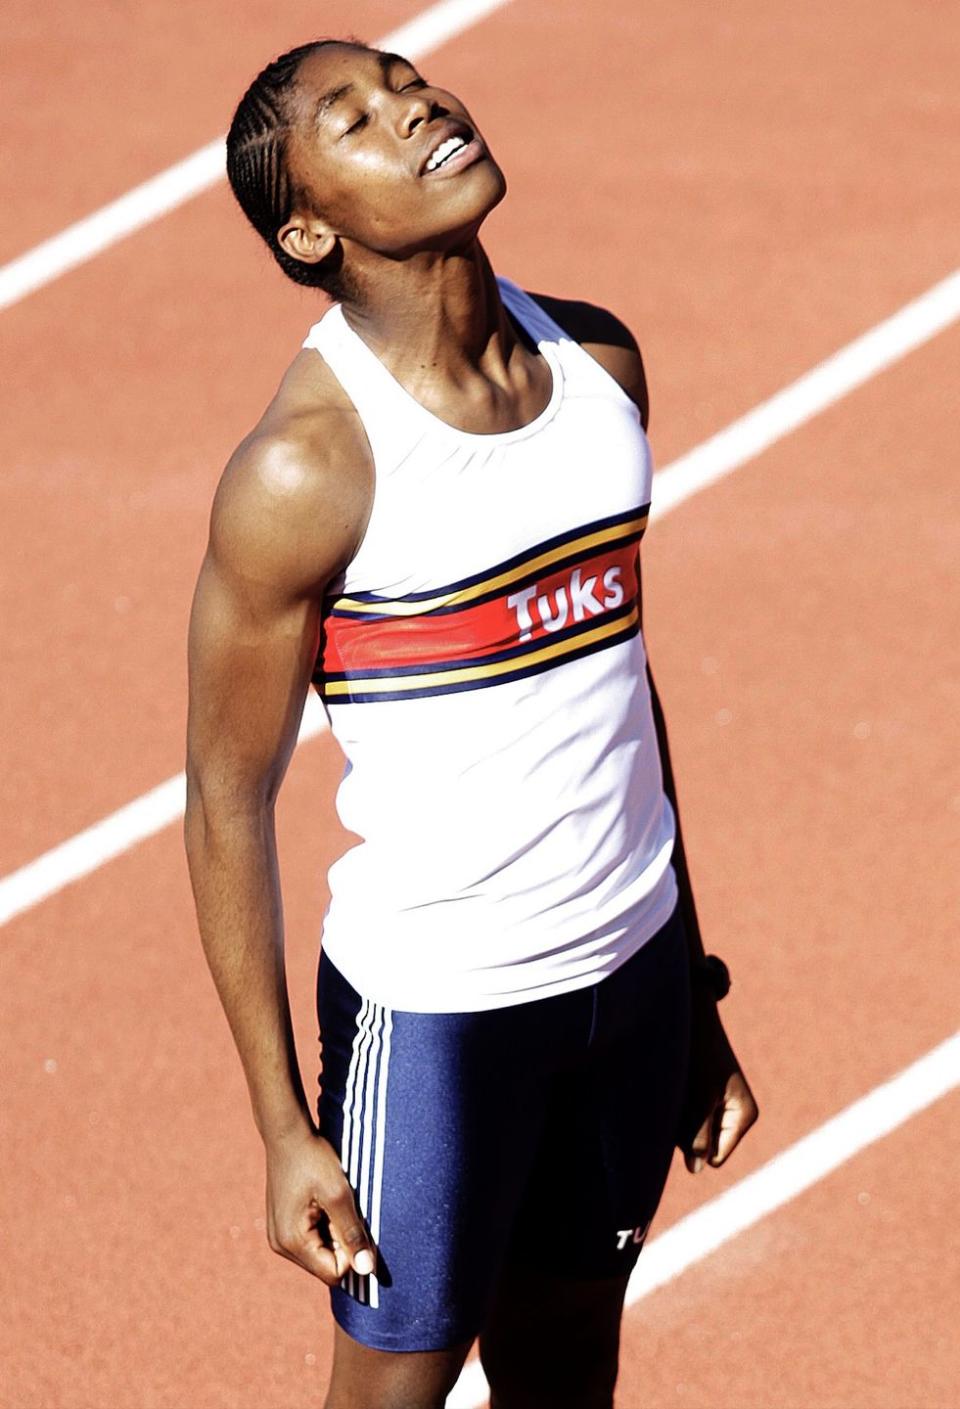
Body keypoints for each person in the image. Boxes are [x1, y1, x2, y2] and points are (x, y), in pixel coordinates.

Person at [184, 37, 759, 1409]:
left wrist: (688, 978)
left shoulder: (602, 365)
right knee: (395, 1392)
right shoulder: (308, 467)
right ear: (308, 226)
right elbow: (225, 795)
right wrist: (282, 1126)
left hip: (626, 985)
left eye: (408, 79)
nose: (417, 106)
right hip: (440, 1018)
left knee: (566, 1377)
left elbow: (616, 681)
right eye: (359, 118)